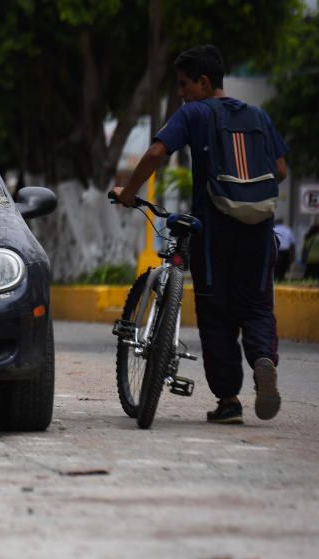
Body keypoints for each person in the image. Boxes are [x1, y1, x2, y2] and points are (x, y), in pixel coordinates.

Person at [111, 45, 288, 425]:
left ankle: (228, 401)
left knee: (217, 315)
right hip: (259, 230)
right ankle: (262, 360)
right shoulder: (258, 116)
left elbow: (157, 151)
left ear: (204, 82)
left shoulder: (194, 113)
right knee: (257, 306)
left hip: (214, 232)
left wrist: (128, 192)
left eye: (184, 84)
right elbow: (281, 169)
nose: (180, 93)